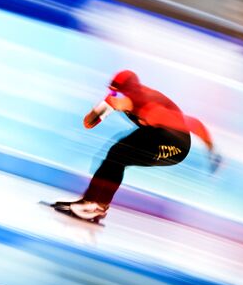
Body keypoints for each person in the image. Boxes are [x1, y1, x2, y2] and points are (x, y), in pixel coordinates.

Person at [53, 69, 221, 225]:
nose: (113, 96)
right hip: (155, 134)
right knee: (115, 154)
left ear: (132, 93)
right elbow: (89, 123)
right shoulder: (118, 99)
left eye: (118, 93)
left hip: (176, 145)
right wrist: (101, 108)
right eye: (112, 92)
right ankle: (90, 202)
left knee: (120, 155)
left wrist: (212, 151)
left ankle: (96, 205)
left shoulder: (149, 106)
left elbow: (194, 124)